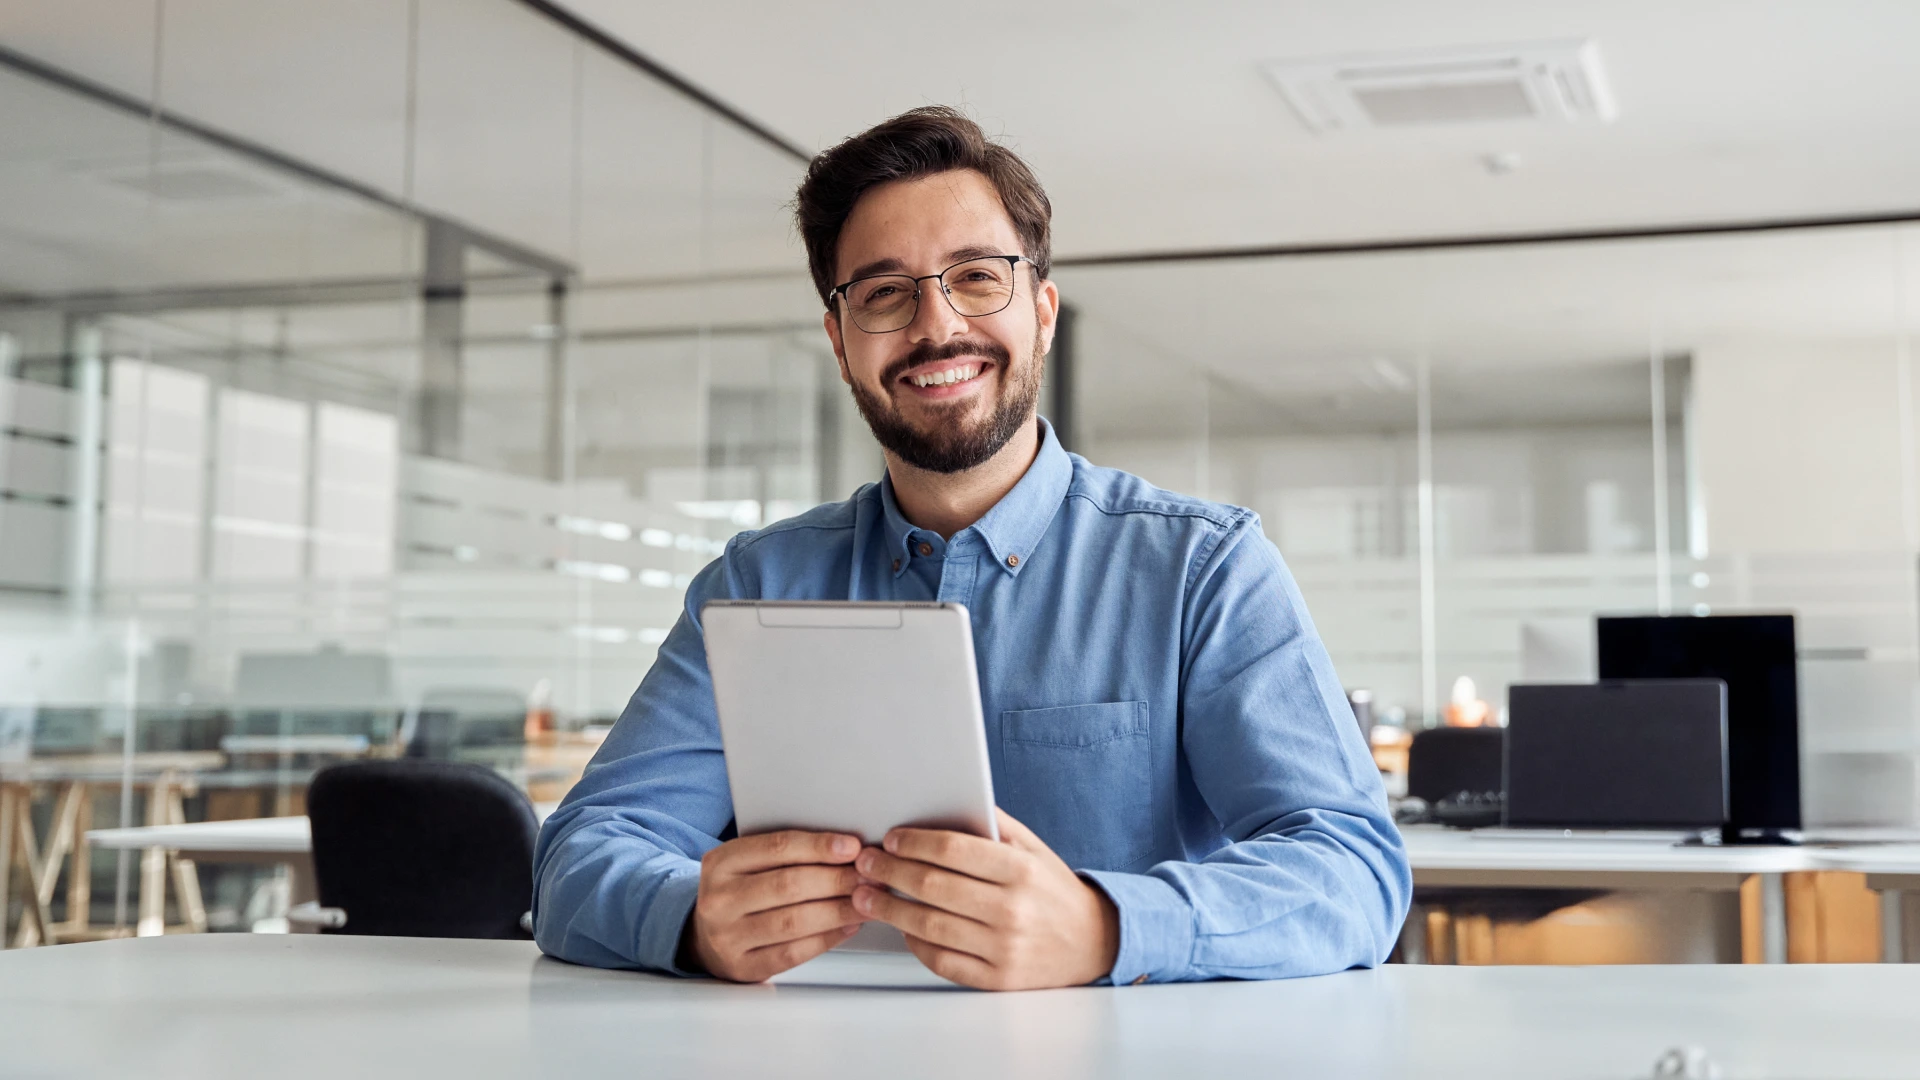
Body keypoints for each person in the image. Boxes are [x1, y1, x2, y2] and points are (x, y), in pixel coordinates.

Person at [532, 106, 1409, 990]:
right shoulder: (755, 583)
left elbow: (1354, 871)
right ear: (841, 345)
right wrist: (685, 919)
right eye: (883, 293)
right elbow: (581, 852)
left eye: (977, 278)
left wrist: (1109, 929)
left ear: (1043, 310)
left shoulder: (1204, 568)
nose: (935, 325)